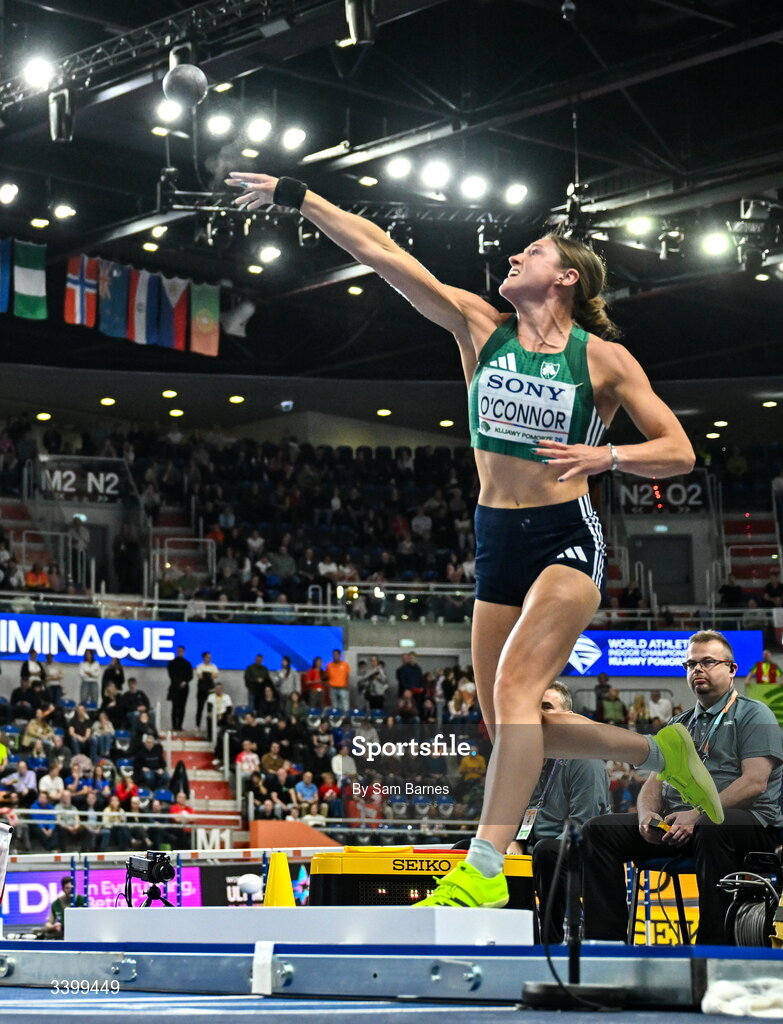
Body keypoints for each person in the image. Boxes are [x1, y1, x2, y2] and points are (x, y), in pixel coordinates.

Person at [226, 171, 722, 909]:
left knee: (520, 692)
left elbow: (678, 449)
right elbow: (382, 252)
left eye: (530, 253)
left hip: (564, 535)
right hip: (495, 537)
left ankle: (484, 867)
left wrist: (607, 456)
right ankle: (658, 750)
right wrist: (299, 198)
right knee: (506, 725)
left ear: (566, 278)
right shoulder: (476, 325)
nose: (513, 260)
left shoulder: (601, 361)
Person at [582, 630, 783, 945]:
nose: (697, 670)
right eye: (690, 664)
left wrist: (697, 815)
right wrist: (647, 816)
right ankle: (606, 943)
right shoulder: (679, 725)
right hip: (684, 825)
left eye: (707, 662)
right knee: (598, 830)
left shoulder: (755, 715)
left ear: (731, 669)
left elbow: (754, 783)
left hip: (747, 824)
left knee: (713, 827)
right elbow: (654, 782)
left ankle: (713, 948)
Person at [456, 682, 609, 943]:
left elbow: (585, 826)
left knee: (546, 851)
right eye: (534, 709)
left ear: (568, 718)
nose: (539, 716)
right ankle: (471, 938)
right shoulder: (525, 759)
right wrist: (514, 841)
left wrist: (531, 850)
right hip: (534, 850)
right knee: (464, 848)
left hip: (579, 856)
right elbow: (510, 814)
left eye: (547, 707)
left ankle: (548, 943)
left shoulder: (585, 760)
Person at [167, 645, 193, 732]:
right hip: (174, 688)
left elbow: (190, 676)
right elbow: (171, 675)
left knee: (182, 707)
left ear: (183, 652)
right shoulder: (172, 663)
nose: (180, 652)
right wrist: (178, 683)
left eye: (181, 651)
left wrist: (185, 682)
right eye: (179, 651)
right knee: (175, 707)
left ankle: (180, 726)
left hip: (184, 689)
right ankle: (174, 725)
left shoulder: (187, 663)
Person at [194, 652, 219, 730]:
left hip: (210, 689)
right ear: (204, 658)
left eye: (210, 657)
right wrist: (208, 675)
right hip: (202, 689)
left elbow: (215, 675)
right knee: (200, 708)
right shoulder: (200, 666)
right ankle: (197, 726)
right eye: (207, 657)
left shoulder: (213, 666)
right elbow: (200, 676)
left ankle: (210, 727)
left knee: (210, 709)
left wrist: (207, 675)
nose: (209, 658)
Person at [324, 648, 350, 714]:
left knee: (344, 704)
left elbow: (347, 675)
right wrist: (327, 683)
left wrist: (347, 684)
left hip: (343, 687)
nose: (334, 656)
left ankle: (345, 717)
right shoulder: (329, 665)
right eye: (333, 655)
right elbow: (326, 676)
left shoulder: (345, 665)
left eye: (336, 655)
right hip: (332, 688)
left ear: (339, 655)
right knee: (334, 705)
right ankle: (336, 718)